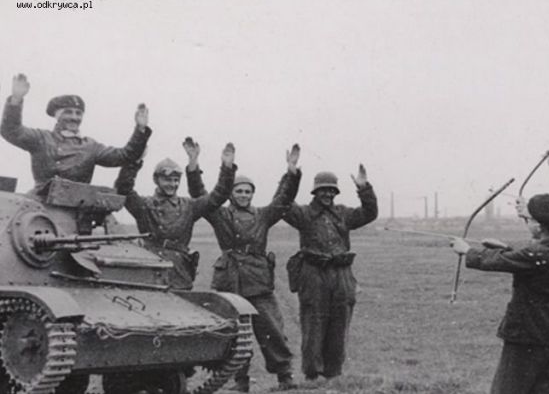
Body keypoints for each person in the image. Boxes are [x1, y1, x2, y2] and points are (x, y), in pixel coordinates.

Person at [184, 138, 301, 392]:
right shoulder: (220, 214)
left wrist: (292, 172)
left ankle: (285, 376)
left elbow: (284, 199)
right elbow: (200, 195)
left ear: (252, 194)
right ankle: (240, 381)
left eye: (248, 191)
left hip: (259, 282)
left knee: (272, 330)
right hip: (229, 280)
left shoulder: (263, 215)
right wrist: (194, 164)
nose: (243, 195)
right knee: (233, 333)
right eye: (239, 191)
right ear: (231, 193)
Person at [451, 194, 549, 394]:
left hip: (526, 333)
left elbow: (509, 261)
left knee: (509, 388)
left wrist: (467, 251)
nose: (527, 223)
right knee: (544, 388)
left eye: (528, 219)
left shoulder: (537, 254)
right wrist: (506, 248)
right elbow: (526, 259)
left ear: (539, 226)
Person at [283, 166, 378, 381]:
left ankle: (333, 374)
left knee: (339, 324)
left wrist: (364, 188)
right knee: (313, 324)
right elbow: (284, 204)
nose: (328, 193)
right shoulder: (303, 214)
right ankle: (312, 375)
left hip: (342, 274)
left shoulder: (344, 214)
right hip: (313, 274)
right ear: (315, 192)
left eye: (332, 190)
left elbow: (370, 213)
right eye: (323, 190)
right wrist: (292, 175)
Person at [1, 73, 151, 195]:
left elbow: (124, 156)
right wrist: (16, 100)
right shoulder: (41, 138)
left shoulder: (90, 146)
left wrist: (140, 129)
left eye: (78, 113)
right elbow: (11, 131)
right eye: (68, 112)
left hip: (75, 211)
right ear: (57, 115)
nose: (74, 117)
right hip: (39, 204)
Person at [114, 142, 236, 290]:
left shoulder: (189, 206)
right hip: (150, 269)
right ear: (156, 180)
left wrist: (227, 167)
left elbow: (218, 196)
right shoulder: (144, 205)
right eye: (167, 179)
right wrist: (135, 161)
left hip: (179, 272)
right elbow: (123, 188)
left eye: (176, 180)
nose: (172, 184)